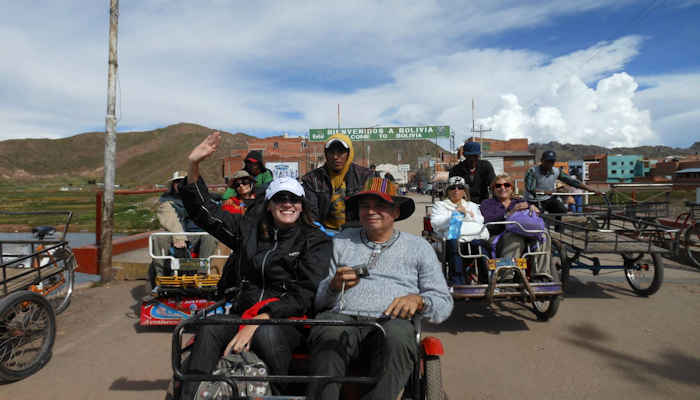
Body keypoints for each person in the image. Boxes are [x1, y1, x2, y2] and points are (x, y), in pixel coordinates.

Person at [178, 132, 333, 399]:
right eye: (280, 198)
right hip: (243, 310)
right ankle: (191, 393)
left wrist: (263, 317)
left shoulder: (314, 240)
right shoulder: (248, 230)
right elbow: (205, 213)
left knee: (267, 336)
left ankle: (281, 394)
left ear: (301, 205)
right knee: (210, 328)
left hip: (288, 317)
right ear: (270, 204)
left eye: (294, 199)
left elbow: (305, 293)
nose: (287, 204)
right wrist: (194, 166)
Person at [307, 177, 453, 400]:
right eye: (365, 206)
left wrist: (419, 300)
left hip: (390, 322)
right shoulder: (340, 242)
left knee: (399, 336)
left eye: (380, 205)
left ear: (395, 212)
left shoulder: (419, 247)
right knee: (327, 332)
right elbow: (319, 301)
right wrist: (333, 286)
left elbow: (443, 304)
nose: (371, 211)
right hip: (343, 318)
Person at [151, 170, 218, 281]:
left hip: (196, 235)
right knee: (159, 237)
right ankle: (161, 276)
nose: (181, 184)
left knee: (210, 237)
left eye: (184, 182)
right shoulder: (167, 201)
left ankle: (203, 274)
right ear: (173, 185)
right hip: (176, 235)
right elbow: (171, 220)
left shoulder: (200, 198)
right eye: (177, 182)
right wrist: (179, 237)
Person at [480, 174, 549, 275]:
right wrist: (510, 213)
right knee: (515, 237)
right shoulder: (487, 204)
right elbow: (489, 222)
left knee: (543, 234)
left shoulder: (520, 201)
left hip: (525, 236)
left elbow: (533, 216)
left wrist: (534, 209)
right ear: (493, 189)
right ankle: (507, 276)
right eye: (498, 186)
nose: (502, 188)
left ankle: (541, 274)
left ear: (512, 188)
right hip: (498, 238)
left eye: (506, 185)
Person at [301, 133, 372, 231]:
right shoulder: (313, 179)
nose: (335, 157)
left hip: (358, 232)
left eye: (341, 152)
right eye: (331, 152)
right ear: (326, 154)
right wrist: (319, 233)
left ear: (349, 154)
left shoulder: (365, 176)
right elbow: (311, 214)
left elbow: (374, 208)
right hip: (325, 232)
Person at [429, 176, 488, 285]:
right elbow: (435, 223)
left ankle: (485, 280)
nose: (456, 190)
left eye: (460, 187)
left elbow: (480, 221)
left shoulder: (472, 206)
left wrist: (465, 214)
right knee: (453, 243)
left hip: (470, 240)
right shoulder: (440, 205)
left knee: (480, 245)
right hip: (449, 243)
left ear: (464, 191)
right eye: (453, 188)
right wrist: (454, 216)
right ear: (448, 191)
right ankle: (457, 281)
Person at [524, 151, 600, 220]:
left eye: (552, 161)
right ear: (542, 160)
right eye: (548, 161)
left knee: (561, 209)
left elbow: (572, 182)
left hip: (547, 198)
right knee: (537, 216)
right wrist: (545, 191)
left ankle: (558, 229)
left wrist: (591, 189)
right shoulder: (533, 171)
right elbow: (530, 188)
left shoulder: (556, 171)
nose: (550, 164)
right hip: (533, 200)